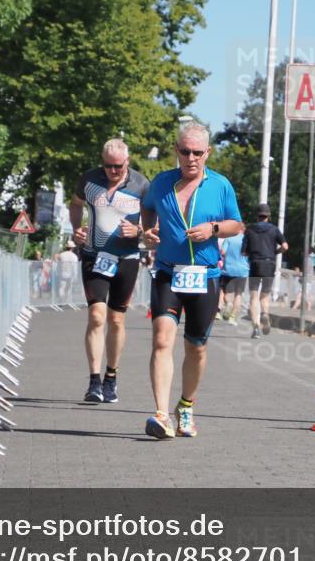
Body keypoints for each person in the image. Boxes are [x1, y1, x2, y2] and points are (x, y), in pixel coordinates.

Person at [140, 122, 243, 439]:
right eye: (185, 151)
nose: (191, 158)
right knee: (161, 339)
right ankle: (160, 414)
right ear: (176, 151)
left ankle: (185, 405)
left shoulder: (221, 185)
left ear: (207, 153)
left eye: (198, 152)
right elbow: (146, 210)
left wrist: (212, 229)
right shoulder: (161, 183)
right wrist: (149, 231)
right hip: (169, 272)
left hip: (205, 277)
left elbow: (237, 225)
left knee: (196, 347)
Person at [70, 138, 150, 404]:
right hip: (94, 255)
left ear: (127, 162)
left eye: (118, 166)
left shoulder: (141, 184)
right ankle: (94, 381)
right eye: (108, 166)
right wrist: (76, 229)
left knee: (116, 320)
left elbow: (154, 225)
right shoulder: (89, 180)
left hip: (126, 257)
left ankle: (111, 377)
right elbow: (76, 203)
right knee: (96, 315)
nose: (113, 171)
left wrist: (139, 231)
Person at [242, 203, 288, 338]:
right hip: (269, 264)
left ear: (257, 216)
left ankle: (256, 327)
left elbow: (244, 252)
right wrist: (275, 252)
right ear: (268, 216)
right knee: (265, 295)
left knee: (254, 296)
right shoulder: (274, 230)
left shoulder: (249, 230)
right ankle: (265, 314)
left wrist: (252, 252)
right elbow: (285, 246)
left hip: (255, 264)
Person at [218, 231, 248, 325]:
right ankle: (232, 317)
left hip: (228, 270)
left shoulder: (229, 238)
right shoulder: (247, 240)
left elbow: (223, 252)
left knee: (225, 291)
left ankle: (228, 304)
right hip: (243, 271)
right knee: (238, 294)